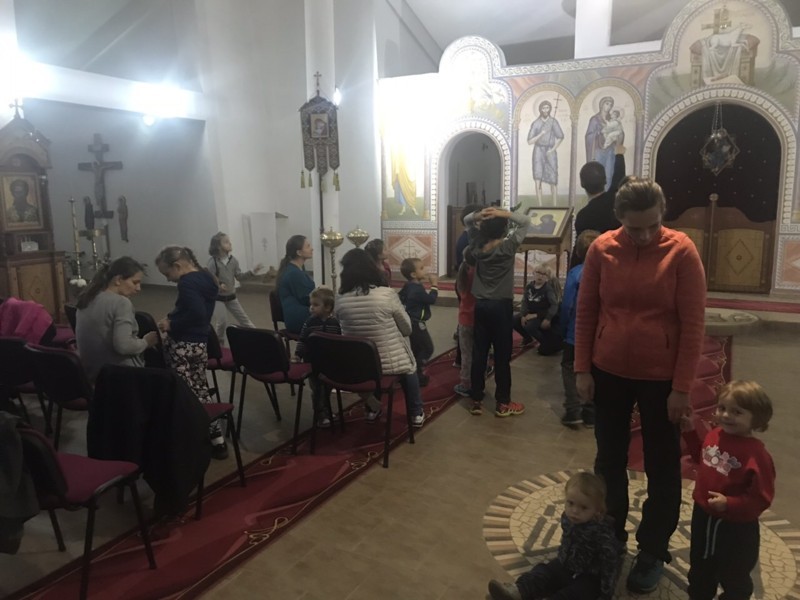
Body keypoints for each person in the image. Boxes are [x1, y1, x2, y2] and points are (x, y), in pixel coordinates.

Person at [574, 177, 707, 594]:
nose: (645, 235)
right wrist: (582, 368)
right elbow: (586, 311)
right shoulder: (601, 250)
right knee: (609, 459)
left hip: (661, 378)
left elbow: (693, 324)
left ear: (662, 215)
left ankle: (652, 549)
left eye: (653, 225)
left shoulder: (682, 251)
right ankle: (610, 538)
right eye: (635, 228)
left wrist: (682, 388)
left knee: (662, 466)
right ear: (619, 219)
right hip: (608, 369)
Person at [681, 380, 775, 600]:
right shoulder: (715, 435)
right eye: (722, 408)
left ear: (756, 417)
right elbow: (702, 458)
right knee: (700, 566)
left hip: (735, 527)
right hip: (704, 515)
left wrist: (730, 504)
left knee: (734, 574)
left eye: (737, 412)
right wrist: (690, 433)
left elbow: (761, 498)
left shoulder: (757, 454)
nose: (726, 415)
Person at [487, 472, 621, 600]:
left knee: (574, 594)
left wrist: (606, 593)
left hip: (589, 576)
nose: (575, 511)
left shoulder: (603, 533)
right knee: (542, 572)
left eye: (584, 507)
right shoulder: (567, 518)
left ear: (598, 510)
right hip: (564, 564)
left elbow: (610, 564)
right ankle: (519, 591)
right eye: (570, 503)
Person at [334, 248, 425, 428]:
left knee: (371, 369)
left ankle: (371, 409)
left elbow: (340, 327)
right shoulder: (386, 294)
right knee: (409, 368)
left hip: (358, 364)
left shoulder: (340, 298)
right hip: (390, 363)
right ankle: (416, 413)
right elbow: (407, 329)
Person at [155, 246, 226, 459]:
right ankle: (217, 438)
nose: (168, 279)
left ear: (177, 266)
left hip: (182, 344)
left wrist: (171, 324)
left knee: (184, 394)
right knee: (201, 389)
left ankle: (192, 440)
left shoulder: (186, 282)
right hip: (200, 343)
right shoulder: (206, 276)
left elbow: (197, 313)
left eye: (167, 273)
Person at [465, 205, 530, 417]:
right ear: (504, 229)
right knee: (502, 355)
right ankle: (503, 402)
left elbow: (467, 221)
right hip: (501, 306)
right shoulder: (507, 247)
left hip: (481, 305)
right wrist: (504, 213)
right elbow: (526, 221)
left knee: (479, 353)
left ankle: (476, 398)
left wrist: (479, 215)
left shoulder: (476, 245)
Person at [75, 257, 159, 383]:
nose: (138, 288)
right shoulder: (121, 303)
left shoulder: (87, 298)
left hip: (92, 373)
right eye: (135, 282)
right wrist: (146, 342)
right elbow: (123, 346)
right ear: (118, 280)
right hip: (120, 376)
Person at [559, 230, 601, 428]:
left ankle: (573, 409)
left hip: (575, 332)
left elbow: (567, 304)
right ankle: (591, 413)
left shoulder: (576, 273)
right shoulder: (608, 272)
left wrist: (562, 326)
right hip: (599, 333)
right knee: (594, 370)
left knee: (569, 368)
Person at [294, 287, 342, 428]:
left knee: (327, 388)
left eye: (315, 305)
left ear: (328, 307)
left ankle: (326, 411)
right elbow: (302, 339)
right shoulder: (310, 323)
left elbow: (339, 341)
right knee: (317, 389)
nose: (311, 308)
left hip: (329, 362)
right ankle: (320, 415)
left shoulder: (334, 323)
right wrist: (298, 355)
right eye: (311, 304)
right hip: (313, 362)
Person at [207, 231, 263, 344]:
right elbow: (209, 279)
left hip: (231, 296)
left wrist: (252, 271)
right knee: (222, 322)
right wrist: (218, 285)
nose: (230, 243)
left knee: (245, 320)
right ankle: (219, 344)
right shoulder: (212, 262)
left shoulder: (233, 261)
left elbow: (239, 277)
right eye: (226, 242)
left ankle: (260, 338)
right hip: (217, 298)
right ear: (218, 247)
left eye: (229, 241)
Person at [398, 257, 439, 387]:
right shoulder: (417, 289)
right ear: (413, 274)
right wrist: (434, 285)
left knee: (416, 348)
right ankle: (417, 371)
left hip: (410, 321)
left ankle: (414, 374)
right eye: (421, 268)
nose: (425, 270)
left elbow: (400, 296)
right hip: (417, 323)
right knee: (427, 348)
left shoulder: (409, 285)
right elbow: (431, 299)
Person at [574, 144, 626, 237]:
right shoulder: (614, 201)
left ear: (582, 184)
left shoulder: (583, 216)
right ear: (605, 181)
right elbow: (619, 177)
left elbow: (581, 244)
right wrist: (619, 155)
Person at [513, 264, 562, 356]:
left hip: (548, 320)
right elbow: (525, 301)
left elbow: (554, 308)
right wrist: (523, 315)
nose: (540, 276)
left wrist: (545, 318)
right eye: (538, 273)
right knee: (515, 320)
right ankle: (528, 338)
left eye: (544, 274)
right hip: (535, 313)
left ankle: (544, 342)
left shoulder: (549, 289)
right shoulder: (530, 286)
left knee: (545, 350)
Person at [527, 100, 564, 206]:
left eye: (547, 108)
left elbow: (560, 137)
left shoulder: (553, 122)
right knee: (538, 176)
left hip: (550, 151)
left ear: (550, 109)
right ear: (540, 109)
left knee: (553, 177)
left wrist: (552, 149)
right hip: (538, 151)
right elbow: (530, 141)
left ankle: (555, 205)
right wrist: (540, 134)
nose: (545, 110)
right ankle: (540, 205)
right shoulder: (536, 123)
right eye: (543, 108)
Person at [276, 235, 315, 334]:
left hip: (298, 315)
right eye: (308, 246)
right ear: (299, 252)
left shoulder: (295, 269)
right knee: (333, 322)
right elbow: (307, 298)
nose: (312, 249)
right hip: (299, 319)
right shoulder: (294, 273)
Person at [453, 247, 476, 402]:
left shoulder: (463, 272)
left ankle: (466, 383)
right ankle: (473, 381)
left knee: (467, 353)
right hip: (478, 318)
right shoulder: (478, 274)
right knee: (478, 351)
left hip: (465, 318)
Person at [584, 96, 620, 191]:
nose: (609, 106)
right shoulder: (595, 119)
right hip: (598, 151)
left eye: (611, 105)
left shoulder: (612, 119)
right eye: (607, 104)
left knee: (609, 174)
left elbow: (619, 131)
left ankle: (607, 195)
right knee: (598, 174)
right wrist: (599, 132)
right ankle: (598, 194)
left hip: (610, 150)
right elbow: (589, 135)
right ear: (601, 105)